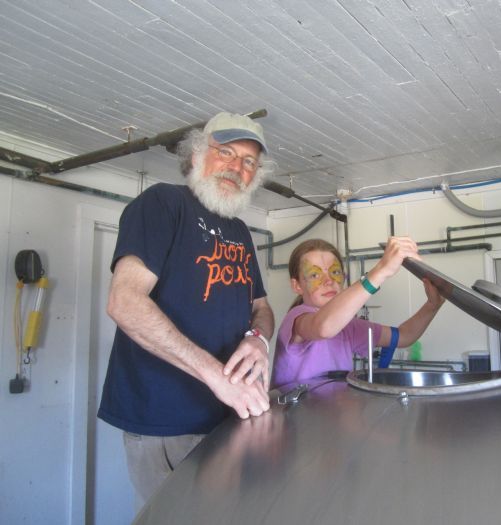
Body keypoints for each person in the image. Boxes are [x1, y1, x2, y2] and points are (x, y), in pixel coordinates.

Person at [97, 112, 274, 509]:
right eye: (225, 152)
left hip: (226, 415)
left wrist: (259, 340)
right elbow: (124, 302)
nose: (236, 167)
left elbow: (261, 307)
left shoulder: (240, 232)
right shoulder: (162, 203)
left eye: (248, 161)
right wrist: (217, 376)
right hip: (164, 421)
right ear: (196, 156)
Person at [271, 237, 445, 388]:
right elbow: (323, 328)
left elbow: (404, 336)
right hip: (294, 415)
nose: (329, 281)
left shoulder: (348, 326)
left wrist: (432, 305)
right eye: (315, 275)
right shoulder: (297, 317)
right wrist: (380, 271)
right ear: (297, 286)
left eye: (335, 272)